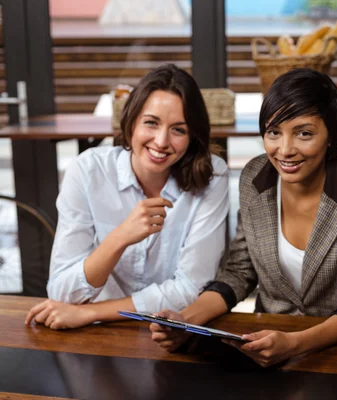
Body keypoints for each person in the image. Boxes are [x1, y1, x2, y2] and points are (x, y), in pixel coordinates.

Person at [150, 68, 337, 367]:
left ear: (331, 135)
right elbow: (239, 273)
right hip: (264, 347)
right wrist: (184, 320)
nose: (285, 150)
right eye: (274, 132)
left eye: (304, 133)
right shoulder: (255, 177)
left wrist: (295, 344)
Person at [25, 64, 229, 330]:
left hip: (166, 330)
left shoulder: (213, 176)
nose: (161, 141)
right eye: (151, 123)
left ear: (192, 136)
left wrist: (89, 313)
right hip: (98, 334)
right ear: (131, 122)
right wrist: (120, 237)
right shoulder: (88, 171)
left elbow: (190, 289)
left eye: (178, 129)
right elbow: (62, 292)